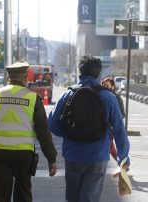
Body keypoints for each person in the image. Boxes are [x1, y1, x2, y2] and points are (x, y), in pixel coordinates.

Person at [49, 54, 130, 202]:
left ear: (80, 72)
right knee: (90, 198)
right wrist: (123, 159)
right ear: (98, 74)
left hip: (72, 155)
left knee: (73, 198)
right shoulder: (108, 97)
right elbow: (119, 130)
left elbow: (54, 126)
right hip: (97, 155)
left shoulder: (67, 95)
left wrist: (69, 133)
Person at [0, 60, 58, 202]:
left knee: (1, 193)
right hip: (24, 154)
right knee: (23, 194)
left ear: (8, 78)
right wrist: (51, 159)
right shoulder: (33, 99)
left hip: (0, 152)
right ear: (25, 78)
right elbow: (43, 132)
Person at [101, 76, 125, 161]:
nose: (105, 88)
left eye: (107, 86)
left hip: (113, 126)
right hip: (105, 127)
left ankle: (122, 164)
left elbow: (122, 114)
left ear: (113, 86)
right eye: (103, 86)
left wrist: (114, 121)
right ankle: (122, 164)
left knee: (111, 147)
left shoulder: (116, 98)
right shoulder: (101, 96)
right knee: (110, 147)